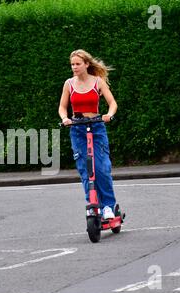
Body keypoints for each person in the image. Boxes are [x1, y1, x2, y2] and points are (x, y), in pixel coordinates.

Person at [58, 49, 118, 219]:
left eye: (77, 64)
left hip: (97, 127)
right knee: (85, 170)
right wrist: (65, 118)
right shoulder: (69, 84)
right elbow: (62, 107)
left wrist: (109, 115)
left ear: (86, 64)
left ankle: (108, 206)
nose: (74, 67)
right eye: (72, 64)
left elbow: (112, 103)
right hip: (77, 129)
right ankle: (94, 205)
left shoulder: (97, 81)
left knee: (101, 169)